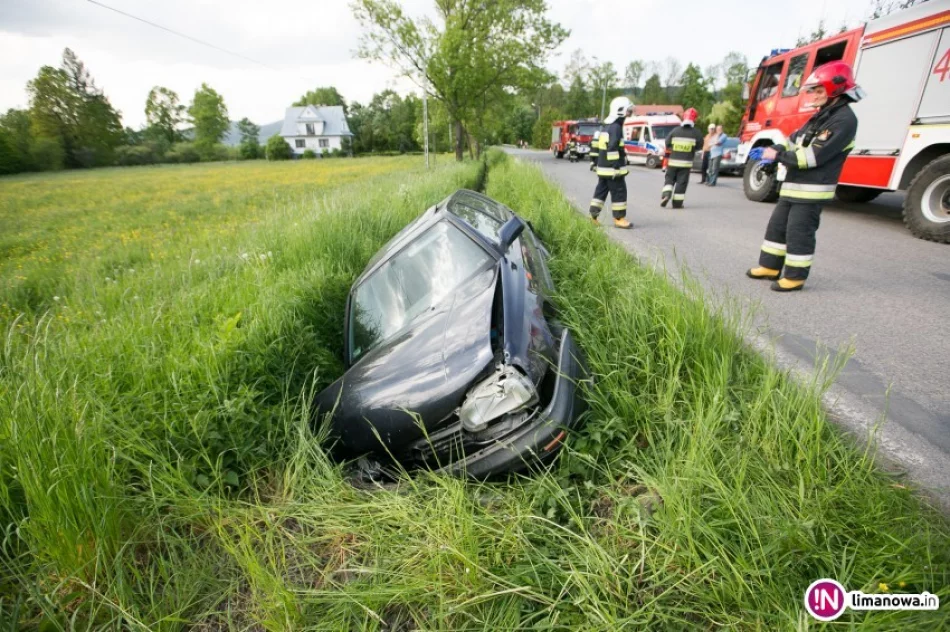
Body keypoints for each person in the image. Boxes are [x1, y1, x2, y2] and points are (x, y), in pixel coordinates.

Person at [746, 61, 862, 292]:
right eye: (814, 90)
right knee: (777, 227)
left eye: (819, 90)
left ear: (835, 89)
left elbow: (812, 157)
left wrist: (778, 155)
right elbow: (793, 141)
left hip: (812, 188)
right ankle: (769, 266)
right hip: (793, 186)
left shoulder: (844, 120)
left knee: (799, 232)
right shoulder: (821, 116)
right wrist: (774, 154)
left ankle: (795, 276)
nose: (814, 95)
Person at [589, 97, 633, 228]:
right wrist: (616, 167)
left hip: (603, 168)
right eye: (628, 111)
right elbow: (612, 147)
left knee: (600, 192)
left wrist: (594, 163)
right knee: (619, 191)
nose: (629, 114)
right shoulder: (616, 128)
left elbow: (599, 146)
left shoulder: (607, 127)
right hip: (612, 170)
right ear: (621, 111)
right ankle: (619, 218)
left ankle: (593, 216)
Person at [660, 108, 704, 209]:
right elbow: (699, 146)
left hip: (673, 161)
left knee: (669, 179)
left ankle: (666, 195)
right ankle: (677, 204)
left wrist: (673, 150)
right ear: (694, 119)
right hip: (686, 163)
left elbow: (667, 143)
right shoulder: (696, 133)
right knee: (681, 182)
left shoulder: (675, 130)